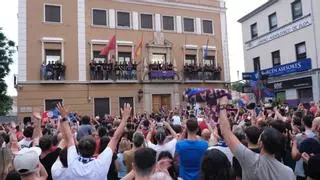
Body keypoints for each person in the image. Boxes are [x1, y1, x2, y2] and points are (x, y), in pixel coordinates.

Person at [218, 96, 295, 180]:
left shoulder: (249, 159)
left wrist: (222, 106)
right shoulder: (289, 172)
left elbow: (225, 132)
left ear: (260, 143)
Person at [56, 102, 132, 180]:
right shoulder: (100, 163)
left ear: (78, 149)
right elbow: (116, 137)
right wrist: (125, 119)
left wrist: (64, 117)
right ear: (95, 149)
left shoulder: (72, 161)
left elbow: (69, 138)